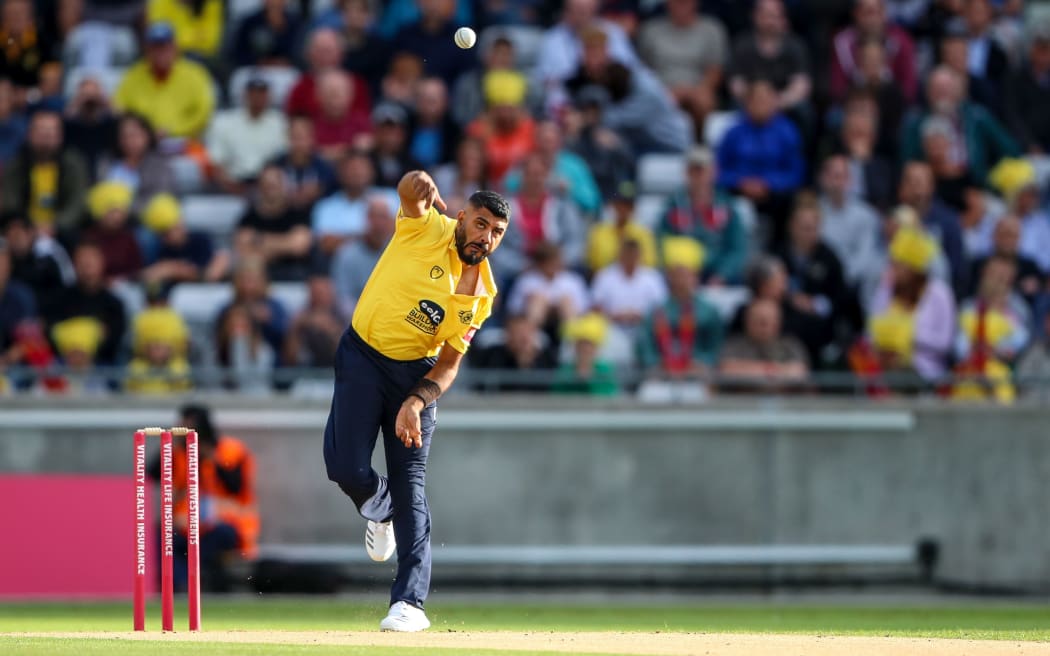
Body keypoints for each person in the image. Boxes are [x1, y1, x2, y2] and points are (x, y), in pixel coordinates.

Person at [322, 170, 509, 631]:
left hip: (416, 374)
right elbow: (410, 196)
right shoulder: (428, 228)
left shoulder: (482, 293)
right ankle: (378, 505)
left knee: (413, 485)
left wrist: (417, 401)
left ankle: (409, 603)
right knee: (345, 468)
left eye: (497, 232)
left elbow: (449, 363)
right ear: (462, 218)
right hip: (363, 355)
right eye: (481, 224)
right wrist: (416, 181)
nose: (486, 237)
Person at [149, 404, 259, 593]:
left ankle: (202, 581)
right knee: (164, 537)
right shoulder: (177, 453)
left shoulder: (230, 450)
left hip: (225, 524)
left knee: (213, 540)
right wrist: (171, 445)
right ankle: (182, 584)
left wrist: (211, 457)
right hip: (186, 524)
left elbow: (236, 486)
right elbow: (152, 473)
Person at [113, 22, 215, 141]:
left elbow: (204, 112)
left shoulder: (195, 74)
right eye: (155, 48)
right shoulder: (133, 75)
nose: (160, 53)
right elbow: (119, 108)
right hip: (143, 144)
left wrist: (174, 130)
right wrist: (145, 133)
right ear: (147, 50)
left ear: (175, 48)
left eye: (165, 47)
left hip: (185, 141)